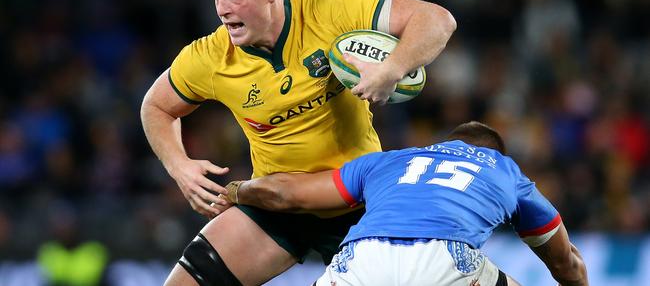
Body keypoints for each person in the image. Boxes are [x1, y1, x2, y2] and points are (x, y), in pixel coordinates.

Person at [139, 0, 456, 286]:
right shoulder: (210, 57)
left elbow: (437, 20)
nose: (222, 9)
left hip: (358, 203)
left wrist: (392, 68)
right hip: (277, 204)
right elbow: (156, 107)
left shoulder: (331, 11)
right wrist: (179, 165)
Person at [221, 121, 589, 286]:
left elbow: (288, 193)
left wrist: (236, 191)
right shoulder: (506, 171)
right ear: (492, 153)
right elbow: (566, 262)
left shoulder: (389, 160)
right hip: (445, 259)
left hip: (361, 258)